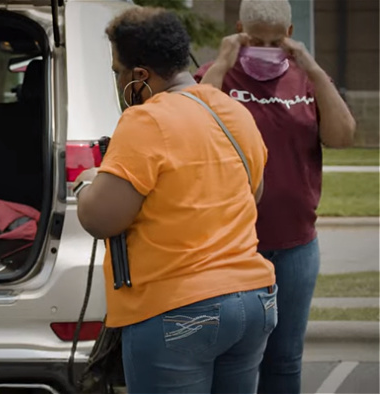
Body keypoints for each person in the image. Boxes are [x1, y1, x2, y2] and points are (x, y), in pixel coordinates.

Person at [73, 7, 277, 393]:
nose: (117, 81)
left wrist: (88, 185)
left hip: (178, 309)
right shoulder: (233, 111)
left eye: (118, 71)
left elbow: (101, 219)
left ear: (140, 76)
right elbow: (253, 192)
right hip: (253, 302)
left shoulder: (145, 120)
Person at [194, 1, 356, 393]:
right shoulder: (217, 76)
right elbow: (194, 123)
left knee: (284, 359)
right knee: (231, 358)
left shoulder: (306, 79)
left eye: (274, 40)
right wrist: (224, 60)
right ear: (238, 31)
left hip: (296, 245)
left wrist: (313, 69)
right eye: (255, 41)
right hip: (233, 246)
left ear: (288, 32)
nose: (265, 48)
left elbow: (342, 136)